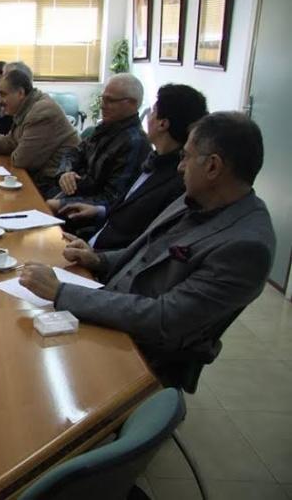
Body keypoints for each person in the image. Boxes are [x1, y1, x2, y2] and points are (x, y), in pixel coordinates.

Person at [20, 112, 275, 386]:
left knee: (28, 369)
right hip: (110, 308)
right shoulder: (198, 197)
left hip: (140, 351)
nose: (180, 167)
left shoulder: (246, 247)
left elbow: (165, 320)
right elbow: (147, 252)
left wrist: (61, 292)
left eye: (186, 157)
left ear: (213, 167)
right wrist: (99, 260)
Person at [59, 84, 208, 249]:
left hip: (103, 254)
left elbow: (146, 243)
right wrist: (100, 210)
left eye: (153, 111)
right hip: (94, 237)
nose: (148, 116)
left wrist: (97, 257)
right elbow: (130, 208)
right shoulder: (155, 159)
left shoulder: (178, 180)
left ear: (163, 124)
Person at [0, 69, 79, 196]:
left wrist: (14, 149)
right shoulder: (27, 107)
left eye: (3, 95)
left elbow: (21, 160)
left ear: (20, 93)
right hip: (44, 180)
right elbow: (9, 142)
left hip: (58, 186)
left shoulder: (41, 112)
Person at [47, 73, 152, 216]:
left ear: (132, 104)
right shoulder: (105, 127)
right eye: (102, 99)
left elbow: (112, 199)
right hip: (71, 193)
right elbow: (74, 152)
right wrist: (66, 172)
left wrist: (61, 204)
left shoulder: (135, 142)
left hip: (89, 214)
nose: (102, 105)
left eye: (110, 100)